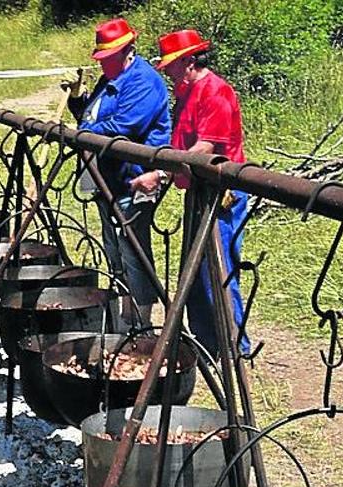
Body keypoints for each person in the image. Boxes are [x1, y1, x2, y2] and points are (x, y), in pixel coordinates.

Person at [132, 30, 250, 356]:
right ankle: (205, 347)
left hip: (222, 196)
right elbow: (181, 147)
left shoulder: (216, 92)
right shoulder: (186, 93)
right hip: (198, 192)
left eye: (170, 65)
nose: (166, 72)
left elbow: (203, 150)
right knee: (195, 277)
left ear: (187, 61)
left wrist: (160, 173)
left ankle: (234, 350)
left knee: (219, 275)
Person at [68, 17, 171, 326]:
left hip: (134, 179)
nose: (103, 65)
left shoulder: (142, 81)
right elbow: (93, 115)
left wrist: (83, 133)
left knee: (134, 249)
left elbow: (124, 126)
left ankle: (141, 319)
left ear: (128, 51)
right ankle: (125, 316)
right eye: (101, 59)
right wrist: (77, 99)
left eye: (108, 59)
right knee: (115, 248)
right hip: (107, 178)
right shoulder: (110, 78)